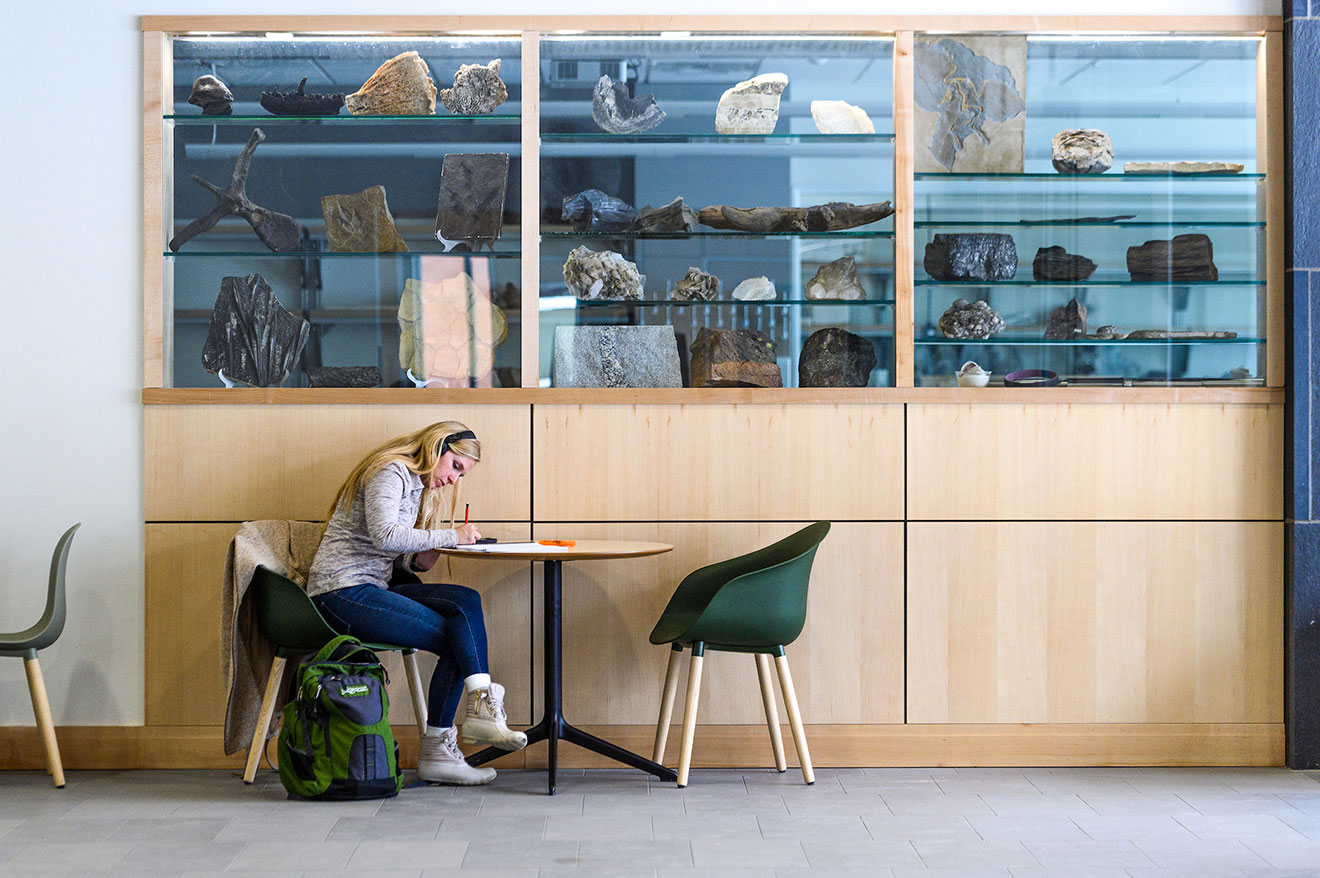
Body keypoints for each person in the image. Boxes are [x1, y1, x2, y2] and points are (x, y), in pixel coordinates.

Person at [305, 421, 525, 786]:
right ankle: (451, 738)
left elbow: (391, 550)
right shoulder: (390, 471)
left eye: (461, 475)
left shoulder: (416, 486)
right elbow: (385, 534)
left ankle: (477, 709)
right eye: (455, 467)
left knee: (465, 602)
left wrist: (420, 560)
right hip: (340, 592)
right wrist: (450, 535)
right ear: (437, 448)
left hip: (374, 586)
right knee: (460, 638)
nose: (454, 480)